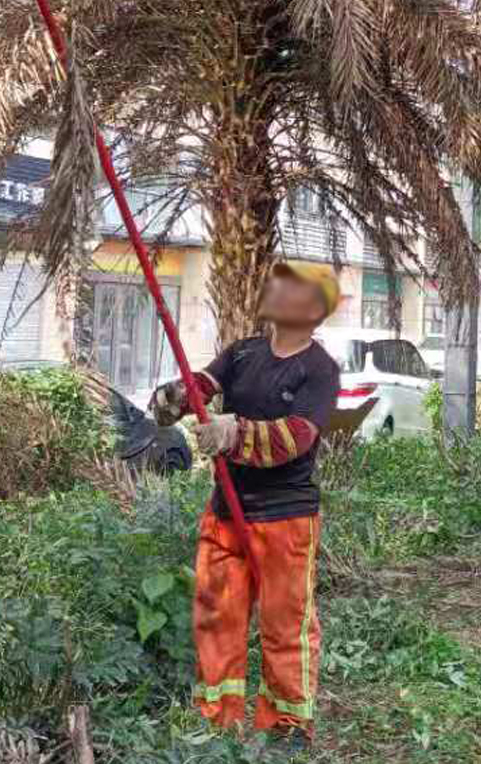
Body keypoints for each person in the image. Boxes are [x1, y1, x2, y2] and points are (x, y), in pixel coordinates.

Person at [149, 260, 342, 756]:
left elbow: (298, 437)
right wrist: (175, 398)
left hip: (285, 518)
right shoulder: (243, 353)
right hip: (227, 513)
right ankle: (219, 719)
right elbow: (203, 387)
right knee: (217, 614)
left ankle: (286, 726)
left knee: (285, 623)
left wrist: (235, 432)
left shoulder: (319, 369)